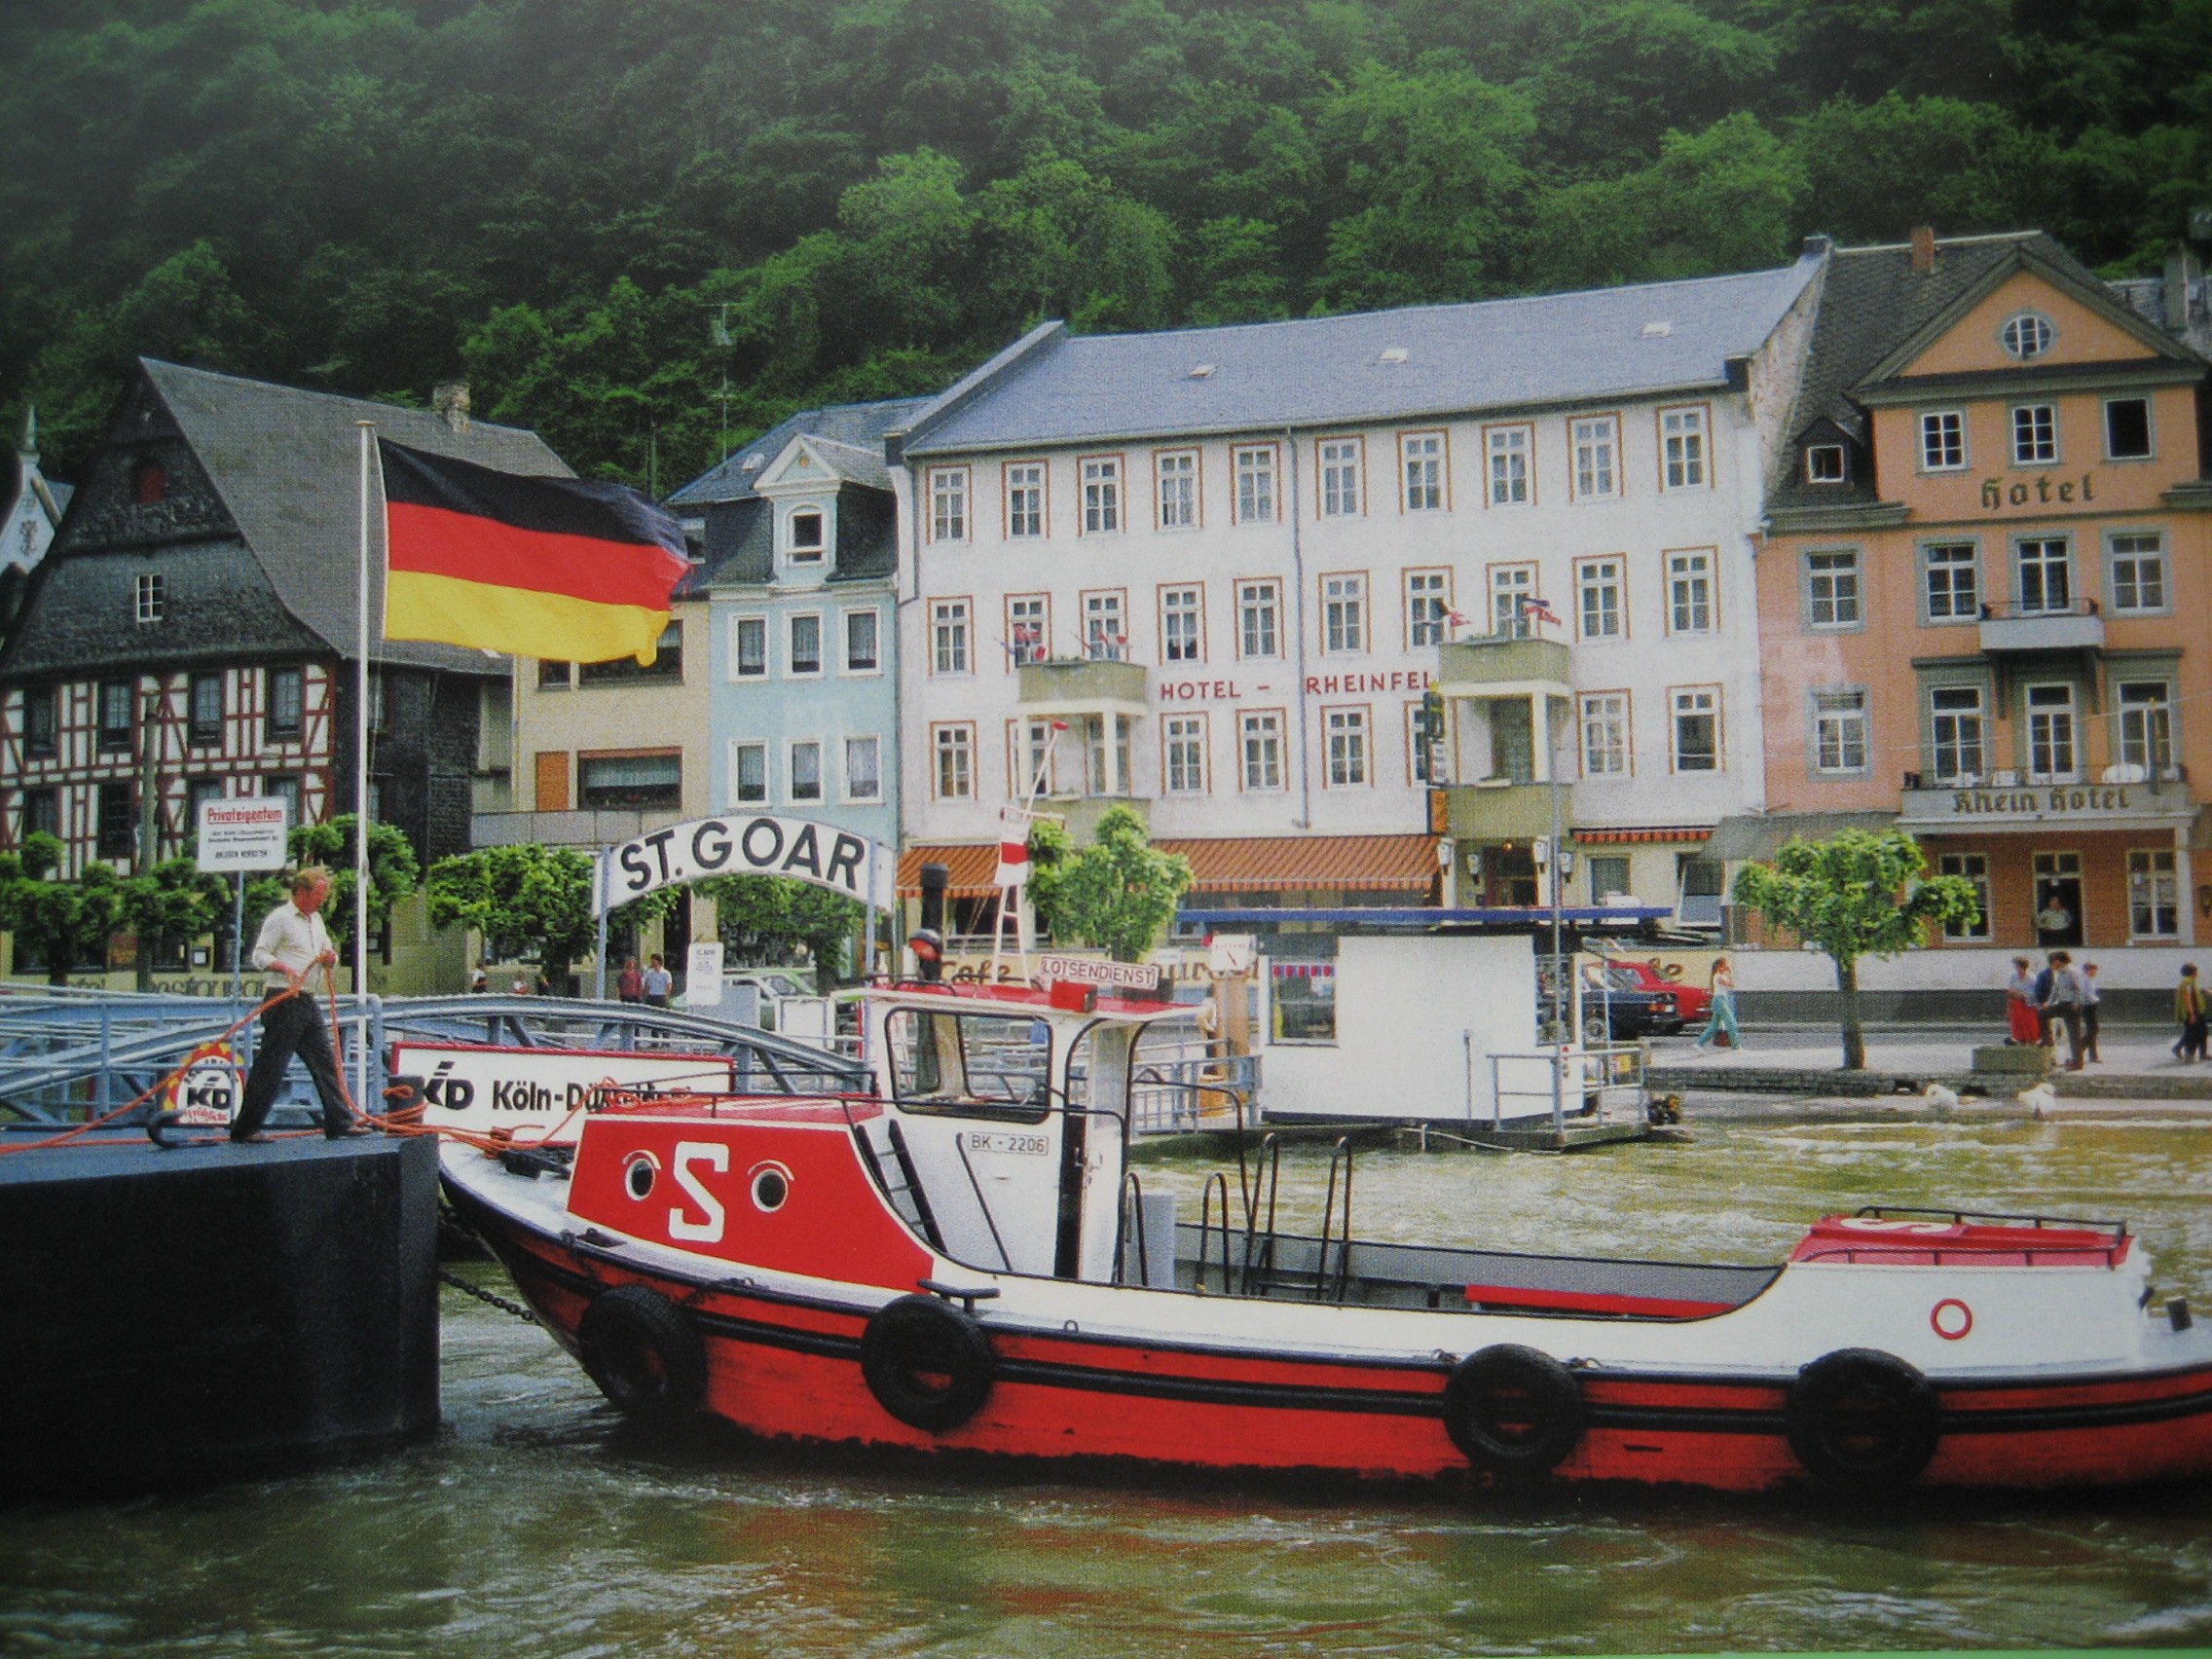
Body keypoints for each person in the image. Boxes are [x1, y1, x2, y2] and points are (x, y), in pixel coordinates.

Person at [233, 866, 365, 1143]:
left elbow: (328, 951)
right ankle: (245, 1128)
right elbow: (259, 955)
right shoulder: (280, 918)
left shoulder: (316, 921)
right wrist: (283, 967)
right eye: (319, 895)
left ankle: (339, 1121)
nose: (322, 901)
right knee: (273, 1064)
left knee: (324, 1060)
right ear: (302, 892)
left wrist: (330, 958)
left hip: (306, 997)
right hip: (283, 997)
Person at [2041, 950, 2086, 1072]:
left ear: (2058, 961)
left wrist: (2076, 1004)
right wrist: (2049, 1003)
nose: (2052, 965)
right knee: (2042, 1013)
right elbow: (2055, 989)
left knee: (2074, 1035)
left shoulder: (2073, 972)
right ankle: (2047, 1039)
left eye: (2053, 962)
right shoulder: (2060, 973)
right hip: (2062, 1004)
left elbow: (2080, 989)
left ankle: (2077, 1063)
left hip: (2071, 1006)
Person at [1694, 956, 1740, 1050]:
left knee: (1714, 1025)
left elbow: (1731, 985)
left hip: (1720, 1000)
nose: (1727, 966)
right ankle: (1736, 1046)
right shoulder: (1718, 976)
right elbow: (1731, 985)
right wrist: (1730, 973)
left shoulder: (1719, 976)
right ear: (1719, 967)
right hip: (1720, 1000)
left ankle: (1699, 1043)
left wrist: (1729, 974)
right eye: (1725, 965)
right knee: (1730, 1023)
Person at [2005, 957, 2042, 1046]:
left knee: (2029, 1024)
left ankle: (2032, 1041)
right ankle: (2021, 1041)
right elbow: (2010, 990)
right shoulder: (2014, 977)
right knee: (2017, 1024)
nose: (2015, 967)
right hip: (2016, 1004)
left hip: (2028, 1005)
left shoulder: (2031, 978)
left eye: (2016, 965)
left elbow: (2035, 993)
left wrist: (2022, 995)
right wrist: (2009, 1006)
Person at [2177, 965, 2208, 1062]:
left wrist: (2207, 992)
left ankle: (2203, 1054)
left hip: (2197, 1011)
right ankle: (2189, 1055)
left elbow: (2198, 991)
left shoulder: (2191, 983)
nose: (2197, 974)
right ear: (2192, 972)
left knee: (2202, 1032)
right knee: (2193, 1034)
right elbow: (2188, 998)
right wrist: (2192, 1014)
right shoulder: (2187, 983)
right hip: (2192, 1012)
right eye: (2196, 972)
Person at [2081, 962, 2102, 1064]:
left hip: (2091, 1006)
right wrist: (2096, 1000)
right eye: (2092, 970)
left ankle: (2093, 1056)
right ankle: (2080, 1047)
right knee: (2094, 1030)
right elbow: (2085, 994)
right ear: (2087, 970)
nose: (2094, 972)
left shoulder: (2090, 980)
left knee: (2092, 1031)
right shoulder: (2085, 980)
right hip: (2087, 1006)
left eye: (2095, 970)